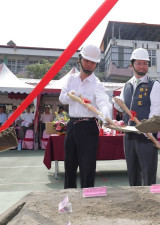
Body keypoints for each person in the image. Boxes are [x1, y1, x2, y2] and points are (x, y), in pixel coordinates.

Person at [59, 44, 111, 189]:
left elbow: (103, 101)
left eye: (93, 62)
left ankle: (88, 202)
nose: (89, 64)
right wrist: (73, 96)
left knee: (87, 167)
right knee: (69, 166)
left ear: (96, 64)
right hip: (72, 126)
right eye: (86, 60)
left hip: (88, 127)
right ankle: (68, 198)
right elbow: (62, 98)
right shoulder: (71, 79)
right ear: (80, 59)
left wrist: (105, 113)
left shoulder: (97, 84)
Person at [113, 48, 160, 186]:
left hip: (146, 135)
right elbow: (121, 106)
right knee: (132, 170)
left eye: (145, 63)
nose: (142, 67)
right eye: (139, 63)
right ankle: (135, 198)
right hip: (129, 134)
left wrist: (147, 129)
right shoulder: (127, 85)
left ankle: (150, 200)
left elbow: (156, 109)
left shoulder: (154, 85)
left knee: (148, 171)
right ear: (132, 65)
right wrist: (116, 102)